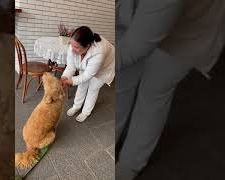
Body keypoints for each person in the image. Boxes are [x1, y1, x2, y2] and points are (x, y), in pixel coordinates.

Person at [116, 0, 225, 179]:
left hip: (188, 32)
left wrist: (94, 62)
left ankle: (130, 164)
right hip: (142, 14)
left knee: (153, 92)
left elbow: (134, 48)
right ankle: (112, 139)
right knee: (121, 81)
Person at [61, 26, 115, 122]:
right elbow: (71, 66)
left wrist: (71, 81)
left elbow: (87, 75)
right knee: (82, 85)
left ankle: (86, 112)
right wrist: (65, 77)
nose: (72, 49)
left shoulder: (99, 52)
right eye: (71, 45)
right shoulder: (74, 45)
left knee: (92, 89)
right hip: (89, 65)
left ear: (87, 46)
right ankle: (76, 106)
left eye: (76, 47)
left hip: (104, 68)